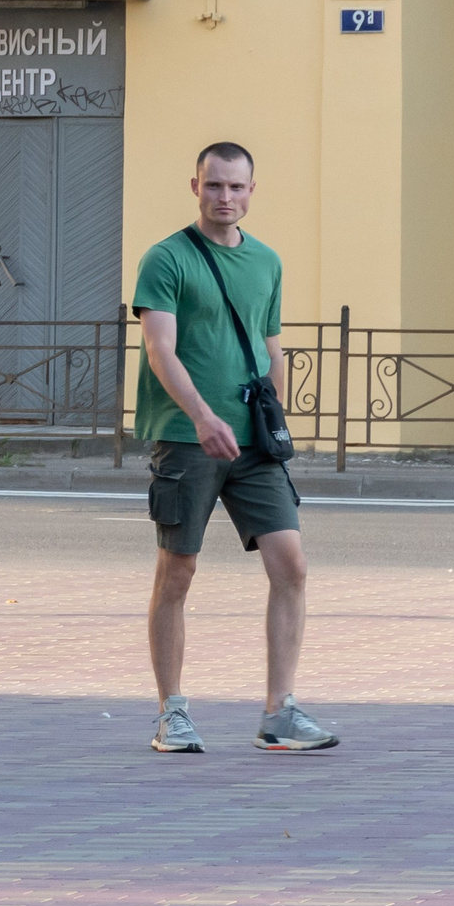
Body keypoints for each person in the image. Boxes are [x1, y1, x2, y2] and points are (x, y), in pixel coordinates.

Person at [135, 142, 337, 755]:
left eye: (237, 188)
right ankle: (172, 713)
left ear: (252, 191)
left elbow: (271, 343)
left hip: (252, 443)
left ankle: (280, 711)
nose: (226, 198)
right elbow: (159, 348)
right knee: (178, 570)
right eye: (214, 186)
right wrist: (200, 416)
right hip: (186, 437)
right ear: (194, 186)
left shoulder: (267, 262)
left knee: (291, 565)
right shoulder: (166, 259)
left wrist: (274, 414)